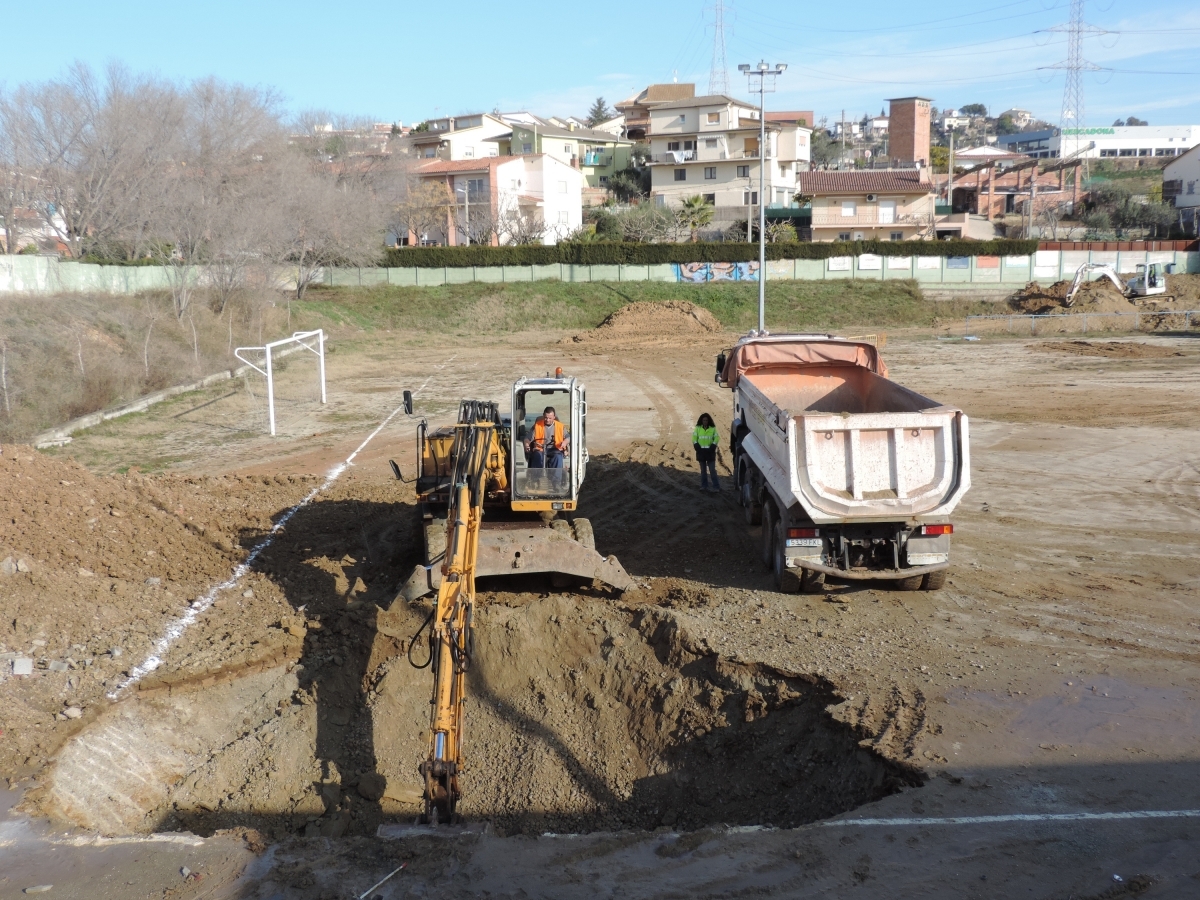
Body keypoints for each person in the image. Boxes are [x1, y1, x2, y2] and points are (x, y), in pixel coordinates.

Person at [693, 413, 720, 492]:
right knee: (703, 471)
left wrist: (713, 446)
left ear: (708, 421)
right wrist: (696, 446)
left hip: (710, 452)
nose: (705, 422)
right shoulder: (697, 428)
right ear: (701, 421)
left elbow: (716, 437)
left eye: (706, 420)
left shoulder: (713, 429)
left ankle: (716, 487)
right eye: (704, 420)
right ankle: (704, 486)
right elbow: (694, 437)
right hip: (701, 452)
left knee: (712, 470)